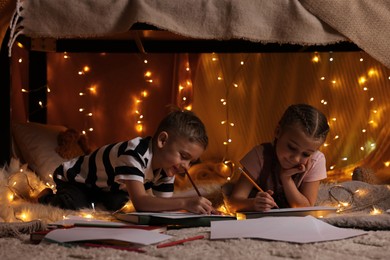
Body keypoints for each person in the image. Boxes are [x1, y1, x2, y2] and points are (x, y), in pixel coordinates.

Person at [38, 109, 214, 214]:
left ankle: (98, 198)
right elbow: (142, 202)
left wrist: (201, 211)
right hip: (78, 180)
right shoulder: (134, 153)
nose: (186, 167)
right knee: (74, 206)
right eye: (184, 156)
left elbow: (163, 205)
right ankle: (45, 197)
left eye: (191, 161)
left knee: (117, 206)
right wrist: (185, 202)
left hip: (108, 186)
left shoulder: (167, 167)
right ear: (162, 141)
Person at [228, 104, 330, 212]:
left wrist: (286, 179)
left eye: (306, 154)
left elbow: (306, 208)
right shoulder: (259, 156)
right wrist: (253, 203)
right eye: (291, 147)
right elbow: (233, 203)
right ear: (278, 131)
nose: (295, 159)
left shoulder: (315, 160)